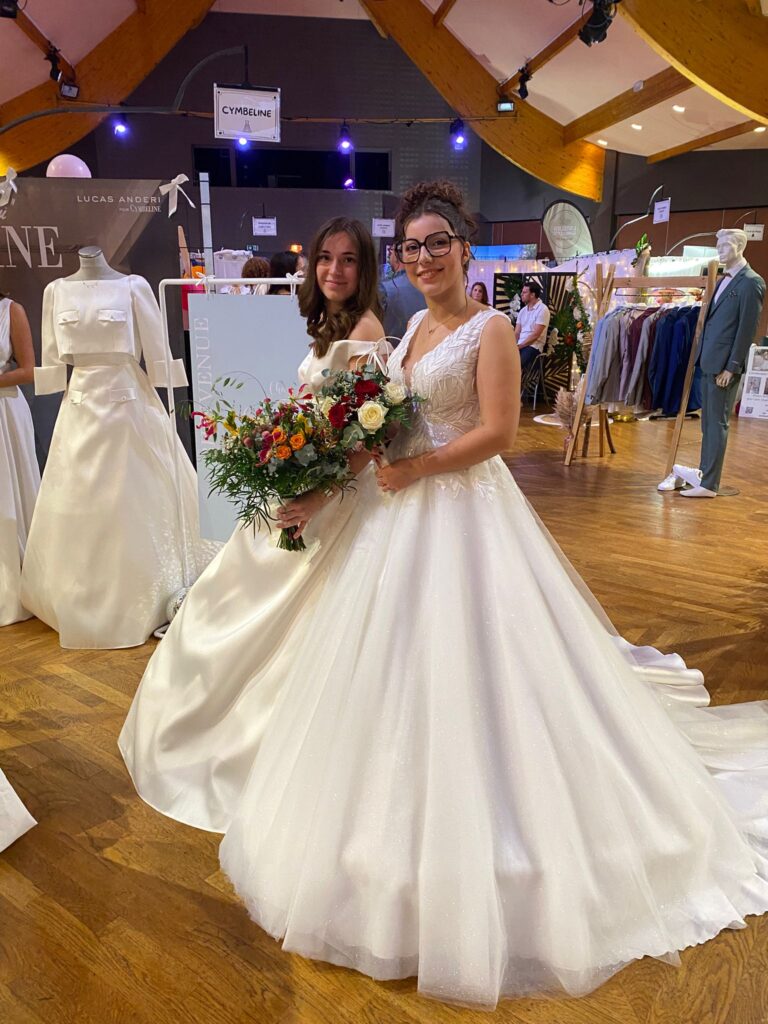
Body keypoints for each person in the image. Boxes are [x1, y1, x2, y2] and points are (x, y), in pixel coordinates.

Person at [125, 183, 768, 1009]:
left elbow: (497, 432)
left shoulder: (488, 326)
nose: (424, 258)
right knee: (387, 674)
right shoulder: (409, 335)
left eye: (438, 243)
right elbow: (377, 430)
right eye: (412, 247)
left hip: (466, 513)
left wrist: (419, 469)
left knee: (488, 665)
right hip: (396, 518)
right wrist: (321, 495)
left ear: (465, 248)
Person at [120, 216, 387, 827]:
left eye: (348, 260)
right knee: (234, 592)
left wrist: (318, 497)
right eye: (326, 258)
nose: (335, 271)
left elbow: (375, 432)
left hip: (337, 496)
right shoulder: (330, 325)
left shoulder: (368, 330)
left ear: (364, 268)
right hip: (311, 480)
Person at [0, 290, 40, 626]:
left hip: (5, 411)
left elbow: (29, 370)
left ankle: (18, 584)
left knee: (9, 497)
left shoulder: (11, 310)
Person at [379, 243, 426, 344]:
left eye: (390, 251)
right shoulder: (429, 287)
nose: (389, 255)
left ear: (396, 254)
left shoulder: (384, 289)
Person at [515, 279, 550, 371]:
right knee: (503, 361)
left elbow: (535, 335)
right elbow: (517, 332)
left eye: (524, 292)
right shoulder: (522, 311)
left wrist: (519, 346)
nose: (521, 294)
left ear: (533, 295)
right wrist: (513, 345)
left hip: (533, 346)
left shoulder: (542, 309)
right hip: (520, 345)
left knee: (515, 366)